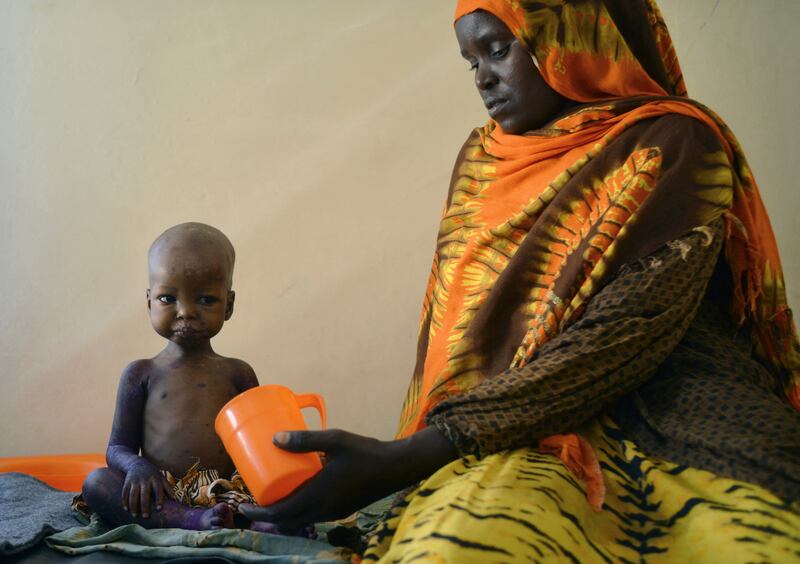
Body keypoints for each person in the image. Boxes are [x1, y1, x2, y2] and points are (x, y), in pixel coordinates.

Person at [242, 0, 800, 560]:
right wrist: (419, 451)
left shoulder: (671, 140)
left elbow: (627, 333)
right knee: (464, 545)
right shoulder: (483, 159)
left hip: (673, 403)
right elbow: (454, 336)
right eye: (470, 60)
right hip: (499, 427)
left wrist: (413, 455)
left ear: (572, 31)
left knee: (759, 538)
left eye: (499, 49)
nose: (483, 78)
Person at [81, 222, 260, 530]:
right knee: (97, 483)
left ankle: (261, 522)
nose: (186, 311)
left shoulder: (238, 372)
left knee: (288, 486)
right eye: (168, 299)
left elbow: (257, 443)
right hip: (160, 490)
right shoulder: (140, 373)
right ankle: (188, 519)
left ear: (228, 305)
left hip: (225, 490)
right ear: (149, 301)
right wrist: (137, 466)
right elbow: (117, 448)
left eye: (205, 299)